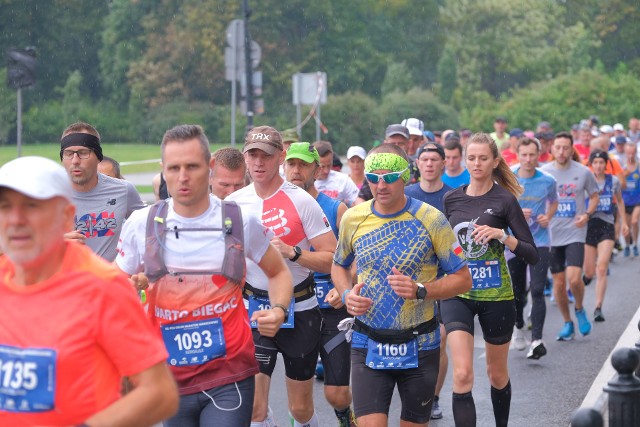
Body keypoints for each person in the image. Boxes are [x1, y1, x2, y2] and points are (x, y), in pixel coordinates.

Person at [116, 125, 293, 427]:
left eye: (192, 166)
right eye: (174, 168)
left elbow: (278, 272)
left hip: (228, 373)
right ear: (163, 170)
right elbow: (112, 291)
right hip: (167, 376)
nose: (183, 177)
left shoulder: (238, 220)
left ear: (209, 167)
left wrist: (278, 309)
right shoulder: (141, 224)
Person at [0, 156, 178, 426]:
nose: (16, 219)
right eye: (5, 206)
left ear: (66, 217)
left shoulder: (103, 286)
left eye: (32, 206)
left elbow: (160, 392)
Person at [332, 142, 471, 426]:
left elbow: (463, 278)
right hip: (367, 340)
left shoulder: (432, 219)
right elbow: (339, 264)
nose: (380, 185)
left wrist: (422, 290)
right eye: (373, 178)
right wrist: (347, 294)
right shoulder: (353, 218)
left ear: (406, 176)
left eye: (390, 177)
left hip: (419, 343)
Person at [227, 126, 337, 427]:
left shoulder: (301, 201)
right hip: (255, 311)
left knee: (300, 410)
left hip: (299, 310)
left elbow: (333, 259)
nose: (259, 162)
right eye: (253, 155)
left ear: (281, 157)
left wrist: (293, 253)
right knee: (254, 409)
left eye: (267, 155)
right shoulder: (234, 203)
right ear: (245, 159)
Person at [441, 133, 538, 427]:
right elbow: (445, 246)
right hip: (459, 292)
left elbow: (532, 254)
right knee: (462, 374)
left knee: (496, 374)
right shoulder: (451, 198)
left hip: (496, 296)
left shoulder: (505, 200)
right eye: (471, 158)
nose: (476, 163)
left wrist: (502, 236)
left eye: (483, 158)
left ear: (495, 162)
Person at [283, 142, 355, 427]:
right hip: (294, 310)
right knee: (298, 403)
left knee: (337, 394)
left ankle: (345, 418)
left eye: (303, 165)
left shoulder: (336, 209)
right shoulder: (274, 207)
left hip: (331, 310)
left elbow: (354, 259)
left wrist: (344, 286)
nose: (296, 171)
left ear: (318, 169)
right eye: (291, 164)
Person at [404, 141, 453, 421]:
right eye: (425, 160)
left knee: (441, 338)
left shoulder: (452, 196)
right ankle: (414, 393)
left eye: (435, 159)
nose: (430, 164)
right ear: (418, 164)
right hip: (410, 278)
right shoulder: (407, 194)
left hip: (444, 279)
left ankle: (433, 397)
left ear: (443, 163)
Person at [541, 132, 599, 341]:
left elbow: (594, 196)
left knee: (574, 280)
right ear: (552, 149)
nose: (561, 151)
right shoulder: (544, 173)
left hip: (575, 232)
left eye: (566, 147)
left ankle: (581, 309)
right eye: (558, 147)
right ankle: (567, 322)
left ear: (572, 148)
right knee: (558, 284)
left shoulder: (583, 172)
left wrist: (587, 214)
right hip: (552, 234)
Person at [60, 122, 144, 261]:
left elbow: (149, 232)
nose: (75, 161)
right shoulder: (49, 196)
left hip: (109, 280)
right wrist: (58, 244)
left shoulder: (123, 190)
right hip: (68, 280)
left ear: (98, 156)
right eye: (69, 154)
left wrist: (141, 270)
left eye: (83, 153)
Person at [508, 137, 558, 359]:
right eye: (524, 155)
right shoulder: (508, 177)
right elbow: (498, 206)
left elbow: (554, 201)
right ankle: (518, 326)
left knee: (538, 290)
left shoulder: (548, 180)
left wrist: (548, 216)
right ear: (518, 154)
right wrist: (517, 214)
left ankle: (537, 339)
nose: (528, 159)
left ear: (539, 155)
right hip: (514, 242)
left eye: (532, 155)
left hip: (540, 241)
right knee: (518, 293)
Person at [583, 150, 628, 322]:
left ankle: (598, 307)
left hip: (606, 226)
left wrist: (624, 223)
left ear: (606, 164)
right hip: (588, 226)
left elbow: (620, 201)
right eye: (595, 163)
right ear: (591, 164)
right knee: (589, 271)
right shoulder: (586, 180)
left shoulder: (613, 181)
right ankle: (586, 276)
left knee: (601, 268)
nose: (598, 166)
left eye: (602, 162)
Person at [313, 140, 359, 206]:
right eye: (322, 167)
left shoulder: (343, 180)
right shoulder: (305, 181)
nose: (326, 171)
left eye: (329, 165)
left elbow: (358, 200)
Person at [622, 141, 640, 257]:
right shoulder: (622, 166)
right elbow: (618, 184)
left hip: (637, 200)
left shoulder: (639, 165)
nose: (630, 155)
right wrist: (623, 175)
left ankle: (635, 244)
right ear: (625, 152)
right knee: (626, 226)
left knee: (634, 221)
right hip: (624, 200)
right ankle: (628, 245)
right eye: (628, 153)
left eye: (632, 153)